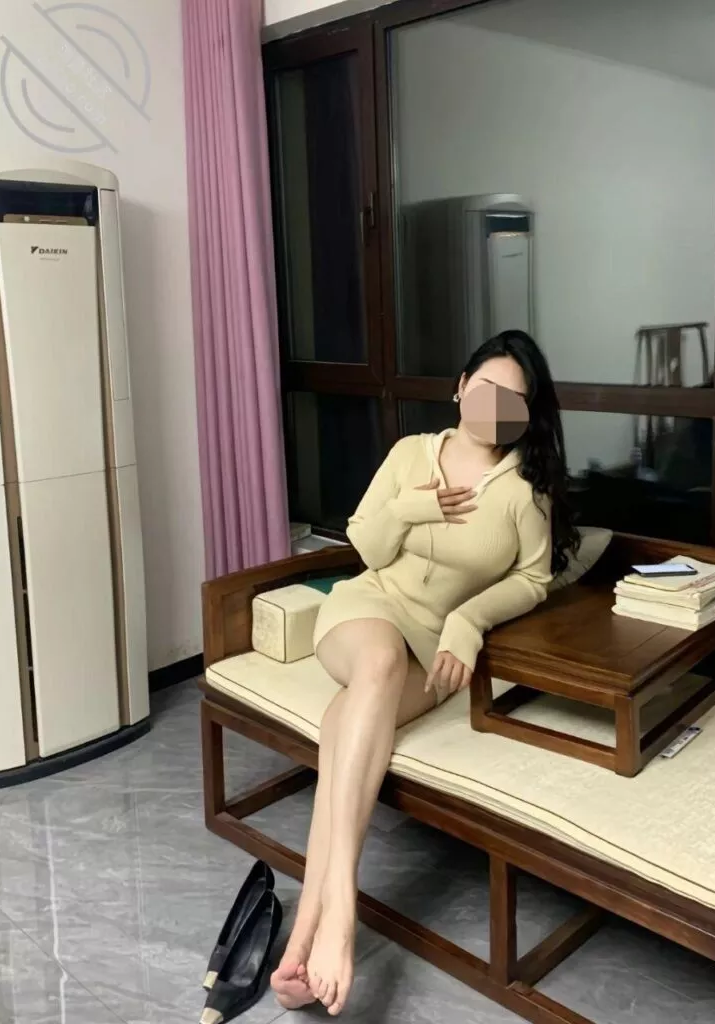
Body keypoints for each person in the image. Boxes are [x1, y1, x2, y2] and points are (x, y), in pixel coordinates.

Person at [271, 330, 579, 1016]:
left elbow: (533, 580)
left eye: (513, 399)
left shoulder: (524, 492)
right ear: (461, 388)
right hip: (365, 613)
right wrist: (415, 506)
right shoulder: (412, 453)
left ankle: (303, 940)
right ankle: (343, 910)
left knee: (343, 723)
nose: (494, 406)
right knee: (377, 663)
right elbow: (366, 543)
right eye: (486, 388)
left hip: (434, 648)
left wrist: (469, 620)